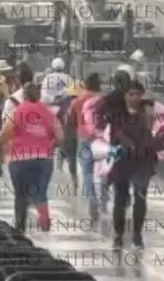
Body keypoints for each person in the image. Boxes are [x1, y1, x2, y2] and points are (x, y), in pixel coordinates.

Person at [96, 79, 164, 250]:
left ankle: (137, 235)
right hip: (122, 161)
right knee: (120, 199)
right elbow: (108, 131)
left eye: (138, 94)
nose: (135, 97)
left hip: (143, 161)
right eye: (131, 94)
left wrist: (162, 139)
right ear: (124, 95)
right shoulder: (116, 114)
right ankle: (118, 235)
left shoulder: (149, 111)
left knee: (140, 198)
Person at [0, 82, 63, 232]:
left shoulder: (18, 111)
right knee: (41, 192)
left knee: (20, 194)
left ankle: (20, 229)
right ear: (39, 95)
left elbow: (5, 132)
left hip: (19, 160)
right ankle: (45, 225)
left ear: (24, 95)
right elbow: (60, 136)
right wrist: (51, 145)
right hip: (44, 159)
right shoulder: (48, 112)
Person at [70, 73, 106, 220]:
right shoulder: (103, 100)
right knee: (103, 170)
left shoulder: (77, 101)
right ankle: (103, 198)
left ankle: (92, 198)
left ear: (85, 85)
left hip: (83, 138)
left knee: (87, 171)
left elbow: (70, 120)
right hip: (100, 139)